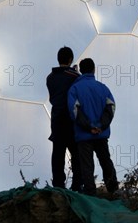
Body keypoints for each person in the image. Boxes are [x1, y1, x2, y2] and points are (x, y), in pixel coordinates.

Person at [68, 58, 119, 196]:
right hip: (100, 134)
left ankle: (90, 194)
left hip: (84, 136)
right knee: (105, 161)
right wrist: (100, 125)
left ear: (82, 71)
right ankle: (113, 190)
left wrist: (89, 127)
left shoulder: (74, 89)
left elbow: (74, 110)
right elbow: (111, 107)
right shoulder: (103, 88)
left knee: (87, 165)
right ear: (93, 69)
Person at [46, 46, 82, 191]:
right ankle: (77, 184)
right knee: (76, 151)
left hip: (56, 119)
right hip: (70, 119)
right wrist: (76, 72)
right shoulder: (74, 76)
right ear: (70, 59)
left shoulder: (50, 77)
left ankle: (58, 185)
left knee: (58, 152)